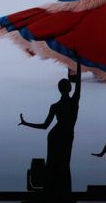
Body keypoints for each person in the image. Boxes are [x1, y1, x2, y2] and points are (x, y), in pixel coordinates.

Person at [19, 57, 81, 203]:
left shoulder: (56, 106)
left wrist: (26, 123)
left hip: (55, 135)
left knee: (54, 163)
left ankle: (52, 192)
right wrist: (78, 63)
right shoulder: (73, 102)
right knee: (64, 163)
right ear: (69, 88)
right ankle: (63, 193)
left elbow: (44, 126)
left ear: (59, 89)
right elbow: (78, 84)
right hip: (65, 135)